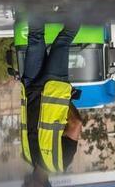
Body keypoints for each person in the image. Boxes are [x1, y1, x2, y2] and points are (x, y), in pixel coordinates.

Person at [18, 20, 83, 187]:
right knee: (63, 40)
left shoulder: (27, 155)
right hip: (53, 87)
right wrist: (65, 101)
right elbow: (76, 124)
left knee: (35, 38)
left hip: (31, 87)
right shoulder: (60, 162)